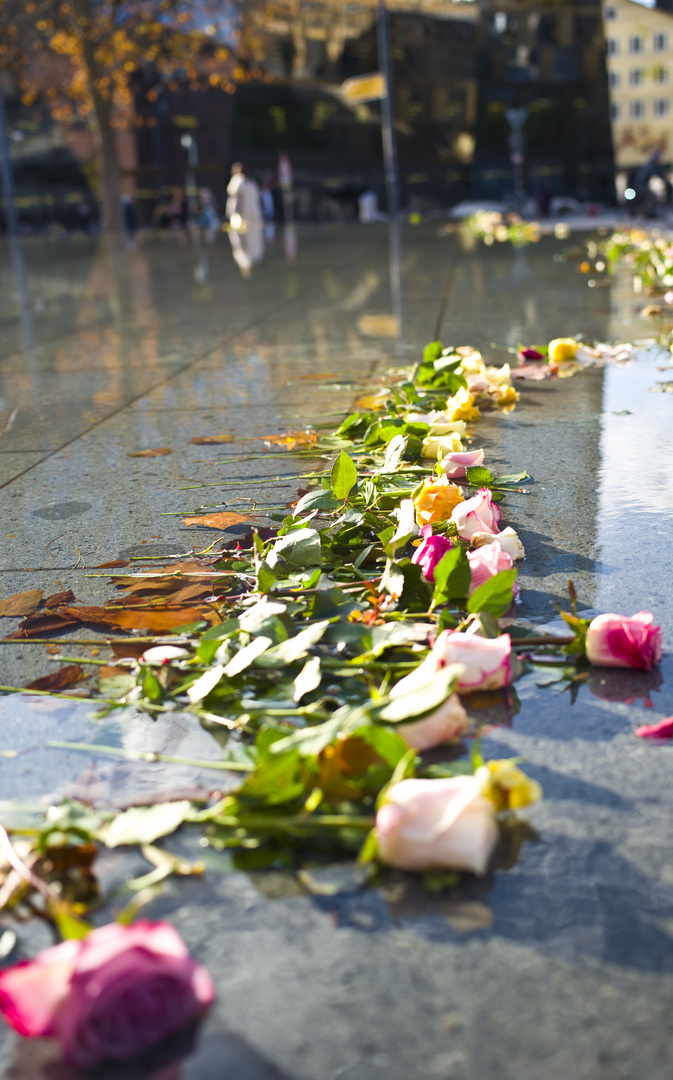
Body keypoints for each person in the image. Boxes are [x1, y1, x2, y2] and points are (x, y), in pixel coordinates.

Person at [226, 162, 264, 277]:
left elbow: (234, 200)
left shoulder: (237, 181)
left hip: (241, 217)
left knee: (240, 242)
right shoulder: (252, 183)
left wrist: (232, 214)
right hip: (254, 218)